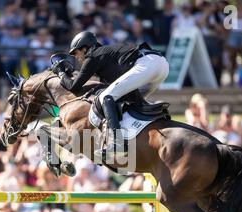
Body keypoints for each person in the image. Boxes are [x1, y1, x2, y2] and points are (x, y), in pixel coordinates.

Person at [51, 31, 169, 159]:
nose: (76, 57)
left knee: (106, 97)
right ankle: (157, 123)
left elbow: (73, 86)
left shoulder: (93, 56)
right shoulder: (104, 56)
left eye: (75, 52)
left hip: (147, 64)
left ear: (85, 48)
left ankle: (118, 143)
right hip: (160, 65)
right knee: (133, 100)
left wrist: (61, 73)